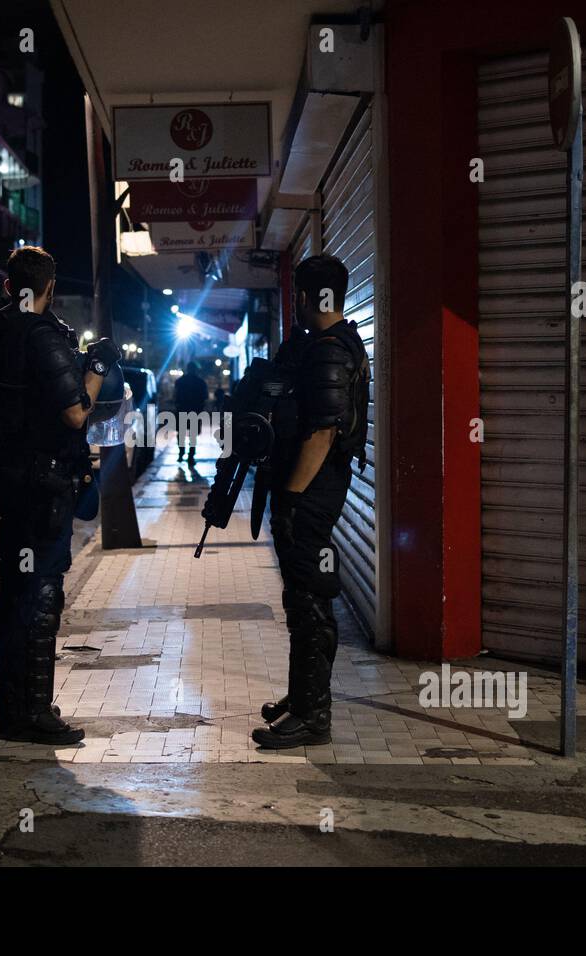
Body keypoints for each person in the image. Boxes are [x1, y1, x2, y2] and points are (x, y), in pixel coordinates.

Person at [0, 246, 122, 745]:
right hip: (44, 485)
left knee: (13, 592)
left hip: (7, 478)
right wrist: (95, 365)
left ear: (9, 286)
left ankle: (9, 711)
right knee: (40, 594)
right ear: (48, 287)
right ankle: (31, 714)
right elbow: (77, 413)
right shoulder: (43, 335)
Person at [252, 254, 370, 750]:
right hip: (314, 490)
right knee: (301, 599)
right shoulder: (326, 345)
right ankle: (302, 698)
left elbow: (323, 431)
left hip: (312, 494)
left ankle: (313, 715)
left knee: (311, 601)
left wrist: (292, 498)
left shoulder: (328, 350)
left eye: (297, 295)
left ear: (307, 296)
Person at [174, 361, 207, 462]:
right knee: (193, 435)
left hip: (182, 409)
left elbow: (175, 396)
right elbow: (204, 397)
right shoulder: (200, 382)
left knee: (181, 433)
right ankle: (191, 455)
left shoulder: (180, 381)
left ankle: (181, 453)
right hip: (195, 410)